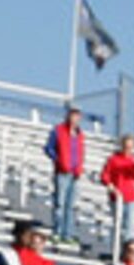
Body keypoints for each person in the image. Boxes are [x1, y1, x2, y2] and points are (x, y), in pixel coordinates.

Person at [97, 133, 134, 251]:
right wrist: (109, 185)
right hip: (117, 198)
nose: (128, 150)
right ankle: (116, 250)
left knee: (129, 227)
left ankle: (126, 252)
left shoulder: (133, 161)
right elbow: (105, 175)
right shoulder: (113, 159)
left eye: (130, 147)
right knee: (118, 226)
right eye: (126, 147)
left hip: (130, 198)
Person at [46, 104, 85, 243]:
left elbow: (80, 153)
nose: (75, 118)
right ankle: (57, 231)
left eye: (77, 116)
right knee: (60, 203)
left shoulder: (80, 134)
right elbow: (48, 148)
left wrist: (79, 168)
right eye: (73, 115)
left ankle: (67, 234)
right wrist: (59, 161)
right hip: (62, 173)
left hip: (75, 174)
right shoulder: (58, 130)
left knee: (70, 206)